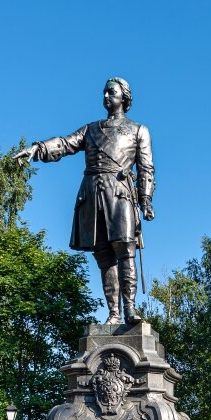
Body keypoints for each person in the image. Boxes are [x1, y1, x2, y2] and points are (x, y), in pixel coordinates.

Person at [14, 77, 154, 325]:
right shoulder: (91, 129)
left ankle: (129, 310)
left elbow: (147, 169)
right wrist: (37, 149)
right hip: (92, 195)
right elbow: (65, 143)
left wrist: (146, 200)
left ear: (124, 97)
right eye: (104, 92)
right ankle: (113, 314)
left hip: (120, 193)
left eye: (111, 92)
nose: (106, 96)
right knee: (103, 256)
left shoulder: (138, 130)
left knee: (124, 249)